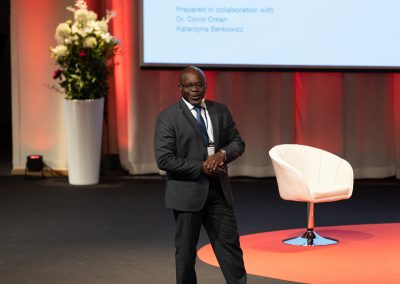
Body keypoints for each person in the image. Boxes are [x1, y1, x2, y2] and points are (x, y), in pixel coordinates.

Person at [154, 66, 247, 284]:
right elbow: (164, 159)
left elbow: (238, 143)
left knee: (230, 250)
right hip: (187, 195)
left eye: (199, 84)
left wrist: (222, 154)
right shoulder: (168, 117)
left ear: (205, 85)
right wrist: (201, 167)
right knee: (186, 254)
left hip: (219, 193)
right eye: (189, 85)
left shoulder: (220, 110)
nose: (195, 89)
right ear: (180, 87)